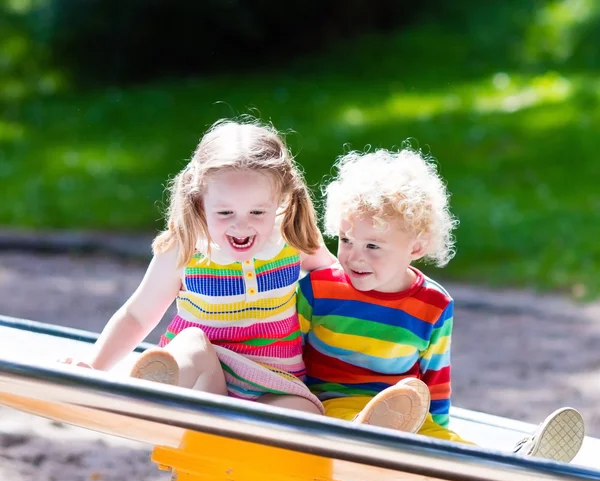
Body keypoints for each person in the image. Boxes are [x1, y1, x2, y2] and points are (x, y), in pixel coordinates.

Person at [296, 147, 585, 462]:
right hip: (333, 405)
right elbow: (289, 352)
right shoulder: (319, 288)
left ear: (416, 246)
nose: (354, 256)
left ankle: (519, 459)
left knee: (451, 447)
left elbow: (435, 375)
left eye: (373, 246)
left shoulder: (433, 303)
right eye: (346, 240)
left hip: (406, 412)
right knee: (346, 419)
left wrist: (438, 429)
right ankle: (364, 434)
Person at [61, 119, 336, 416]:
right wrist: (93, 367)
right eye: (225, 211)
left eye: (257, 211)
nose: (241, 224)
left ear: (281, 200)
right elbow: (137, 315)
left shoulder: (291, 238)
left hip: (274, 382)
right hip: (207, 381)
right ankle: (158, 389)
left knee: (308, 413)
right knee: (191, 342)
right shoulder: (186, 248)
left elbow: (335, 280)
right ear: (199, 201)